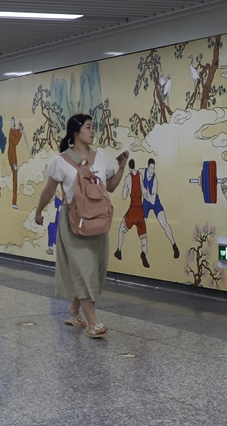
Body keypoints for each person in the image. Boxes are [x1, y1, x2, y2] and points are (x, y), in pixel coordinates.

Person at [34, 114, 128, 338]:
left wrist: (121, 168)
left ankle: (74, 310)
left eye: (93, 127)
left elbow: (111, 187)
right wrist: (39, 211)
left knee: (94, 269)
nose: (92, 131)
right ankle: (92, 323)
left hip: (98, 221)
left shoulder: (101, 157)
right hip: (73, 221)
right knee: (84, 269)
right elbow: (49, 191)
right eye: (88, 127)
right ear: (75, 132)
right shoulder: (61, 161)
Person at [142, 158, 179, 259]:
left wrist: (145, 193)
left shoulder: (154, 180)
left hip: (154, 201)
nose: (152, 170)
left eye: (153, 168)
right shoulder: (142, 172)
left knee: (164, 223)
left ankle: (174, 244)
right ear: (148, 167)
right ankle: (143, 252)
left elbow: (153, 200)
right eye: (150, 168)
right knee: (142, 224)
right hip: (145, 202)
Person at [115, 159, 149, 268]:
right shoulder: (140, 176)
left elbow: (124, 196)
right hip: (140, 211)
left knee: (121, 230)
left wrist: (125, 188)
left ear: (129, 167)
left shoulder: (128, 178)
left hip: (132, 210)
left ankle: (119, 250)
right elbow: (144, 191)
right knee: (143, 237)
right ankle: (143, 253)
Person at [8, 117, 24, 209]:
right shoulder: (11, 133)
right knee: (15, 181)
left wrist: (21, 128)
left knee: (15, 181)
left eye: (13, 122)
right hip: (12, 158)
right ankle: (14, 203)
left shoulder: (14, 131)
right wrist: (13, 163)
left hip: (14, 159)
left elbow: (18, 131)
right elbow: (15, 141)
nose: (12, 124)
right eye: (11, 122)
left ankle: (14, 202)